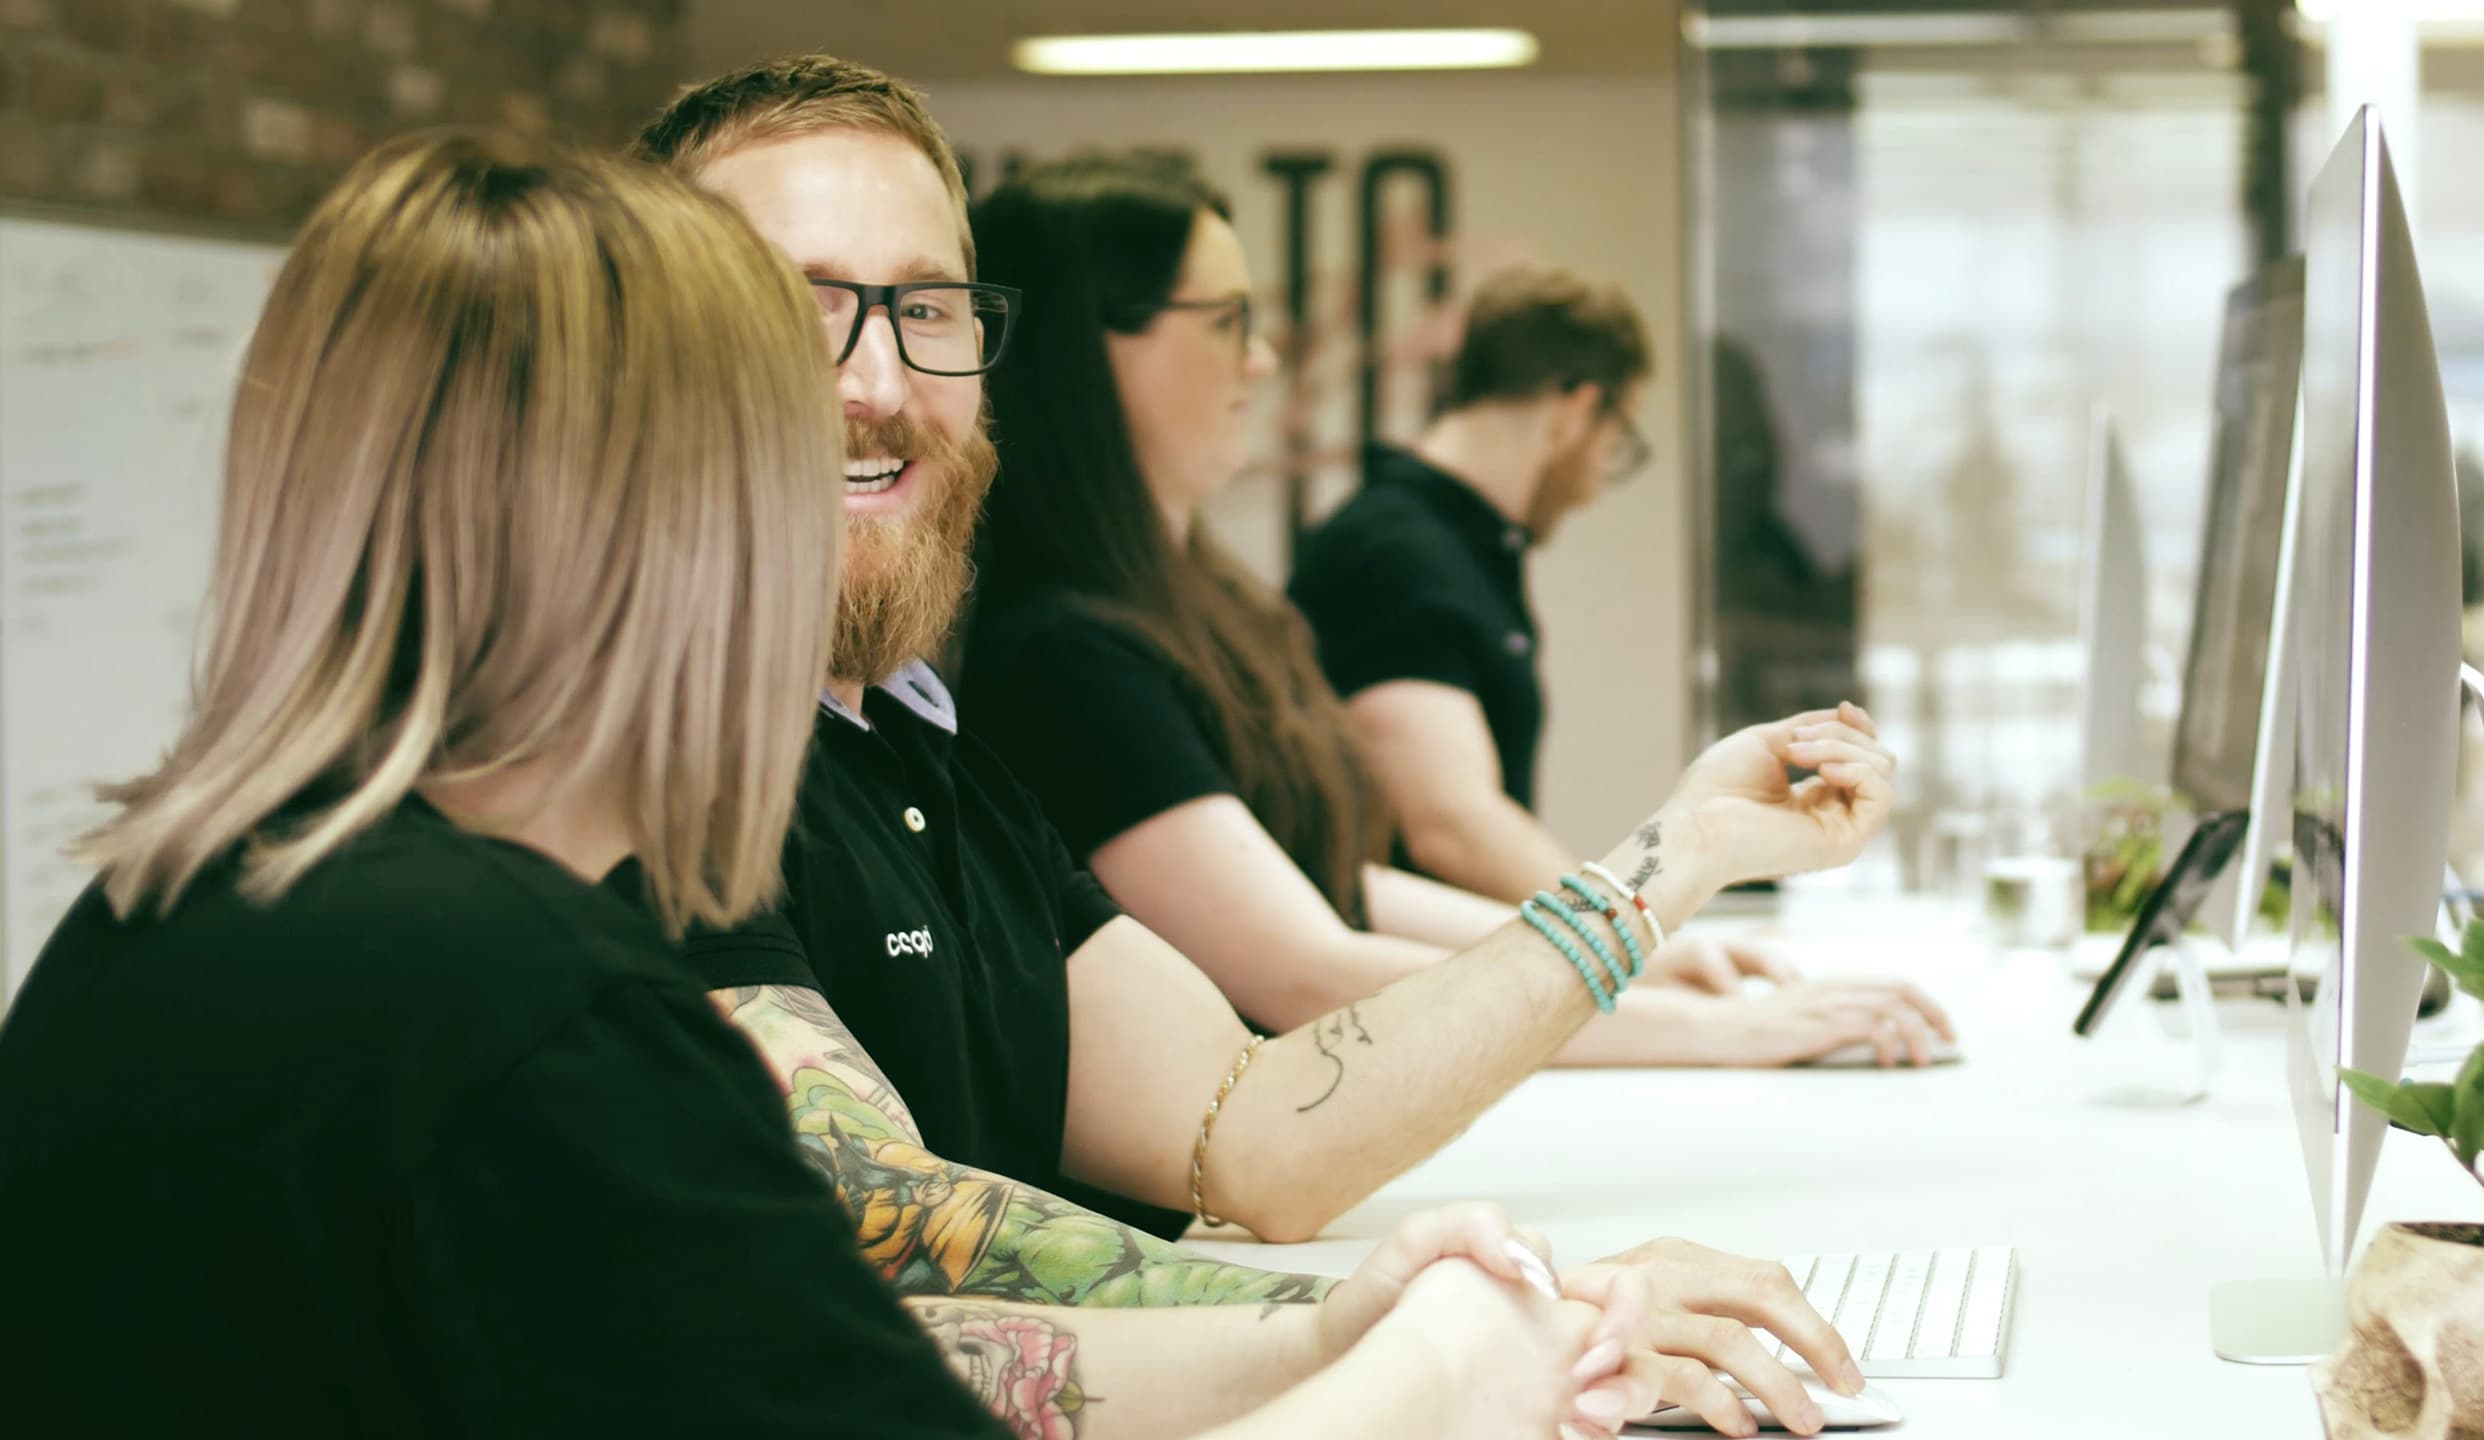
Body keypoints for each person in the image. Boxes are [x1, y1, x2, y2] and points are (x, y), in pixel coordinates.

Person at [0, 128, 1660, 1440]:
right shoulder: (525, 1009)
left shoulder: (207, 910)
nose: (871, 424)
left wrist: (1358, 1320)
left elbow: (815, 1350)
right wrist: (1455, 1367)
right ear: (670, 517)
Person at [640, 58, 1887, 1437]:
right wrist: (1446, 1322)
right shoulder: (630, 770)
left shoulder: (928, 761)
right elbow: (879, 1226)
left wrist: (1686, 847)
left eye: (924, 307)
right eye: (796, 309)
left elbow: (1253, 1125)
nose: (878, 377)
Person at [956, 154, 1950, 1071]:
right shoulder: (1065, 655)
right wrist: (1704, 1017)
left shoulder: (1215, 609)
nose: (1262, 361)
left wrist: (1619, 950)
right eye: (1228, 322)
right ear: (1095, 347)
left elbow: (1342, 886)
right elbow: (1302, 968)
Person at [1288, 269, 1947, 1063]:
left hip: (1452, 1000)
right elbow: (1450, 825)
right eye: (1618, 437)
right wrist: (1630, 937)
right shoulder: (1397, 552)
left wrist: (1640, 939)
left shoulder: (1453, 543)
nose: (1603, 476)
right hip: (1397, 1030)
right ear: (1574, 408)